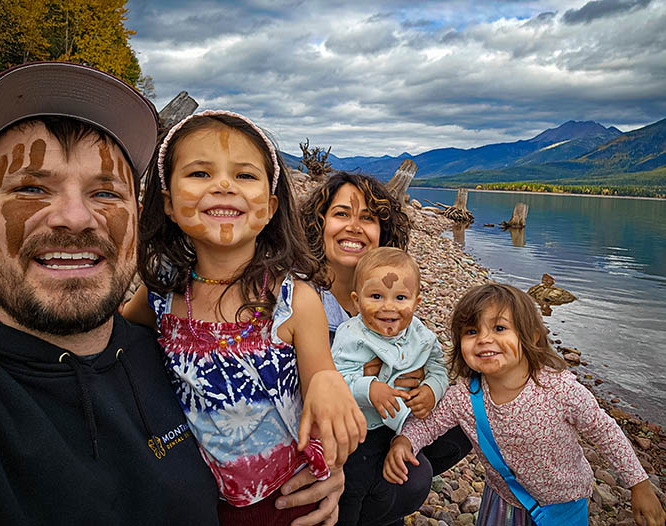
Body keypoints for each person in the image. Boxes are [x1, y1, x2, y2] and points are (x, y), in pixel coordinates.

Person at [0, 62, 346, 526]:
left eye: (105, 193)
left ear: (137, 214)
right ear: (170, 206)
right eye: (32, 187)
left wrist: (323, 464)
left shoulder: (144, 343)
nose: (74, 217)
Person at [123, 109, 366, 524]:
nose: (222, 186)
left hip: (285, 492)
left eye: (245, 176)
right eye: (199, 173)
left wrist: (328, 384)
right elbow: (120, 335)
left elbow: (320, 372)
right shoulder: (163, 291)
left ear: (270, 207)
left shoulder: (294, 300)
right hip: (196, 492)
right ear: (167, 201)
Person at [384, 283, 666, 526]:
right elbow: (430, 423)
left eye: (499, 328)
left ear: (530, 336)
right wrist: (405, 441)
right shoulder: (464, 397)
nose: (484, 339)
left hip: (564, 503)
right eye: (471, 331)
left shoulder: (559, 389)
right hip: (504, 498)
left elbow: (604, 431)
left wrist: (638, 484)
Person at [300, 172, 472, 525]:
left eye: (367, 218)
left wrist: (427, 385)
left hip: (393, 419)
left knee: (468, 417)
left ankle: (385, 482)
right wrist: (367, 379)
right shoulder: (300, 298)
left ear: (383, 231)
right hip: (335, 428)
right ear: (320, 224)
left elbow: (435, 366)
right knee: (409, 479)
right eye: (341, 214)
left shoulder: (400, 310)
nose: (354, 227)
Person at [331, 247, 449, 525]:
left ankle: (387, 515)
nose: (388, 307)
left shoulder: (422, 335)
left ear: (416, 301)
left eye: (400, 298)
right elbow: (335, 378)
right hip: (357, 433)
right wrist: (368, 387)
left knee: (392, 480)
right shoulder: (351, 335)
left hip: (398, 427)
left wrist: (432, 389)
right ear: (356, 300)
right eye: (376, 297)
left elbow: (439, 368)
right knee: (351, 487)